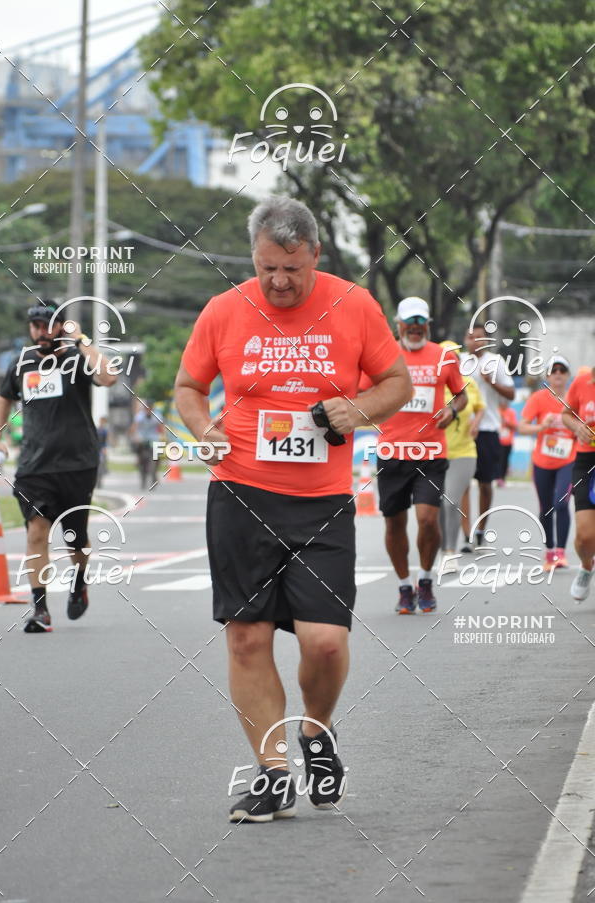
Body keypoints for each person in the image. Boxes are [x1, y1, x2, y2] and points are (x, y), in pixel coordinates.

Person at [174, 196, 412, 822]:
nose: (278, 282)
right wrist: (203, 428)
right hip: (240, 493)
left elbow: (397, 383)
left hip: (323, 502)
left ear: (315, 257)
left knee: (327, 642)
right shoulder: (223, 311)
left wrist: (357, 410)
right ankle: (274, 772)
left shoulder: (353, 305)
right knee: (247, 637)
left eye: (292, 270)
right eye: (266, 268)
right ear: (253, 257)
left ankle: (316, 733)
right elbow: (188, 388)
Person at [0, 300, 118, 632]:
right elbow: (4, 396)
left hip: (78, 463)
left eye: (48, 324)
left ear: (61, 326)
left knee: (75, 538)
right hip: (34, 466)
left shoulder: (78, 359)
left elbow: (108, 377)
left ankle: (79, 582)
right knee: (36, 531)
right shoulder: (22, 363)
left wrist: (81, 341)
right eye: (34, 326)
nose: (40, 332)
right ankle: (40, 610)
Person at [373, 298, 467, 613]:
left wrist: (452, 410)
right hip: (392, 452)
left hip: (431, 452)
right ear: (398, 325)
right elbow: (361, 392)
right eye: (409, 323)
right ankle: (403, 586)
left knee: (427, 519)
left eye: (421, 323)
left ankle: (425, 579)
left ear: (427, 325)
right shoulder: (381, 355)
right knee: (394, 523)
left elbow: (461, 394)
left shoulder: (444, 357)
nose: (415, 328)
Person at [518, 356, 575, 571]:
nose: (558, 373)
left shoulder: (573, 398)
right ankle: (550, 551)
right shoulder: (538, 398)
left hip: (568, 460)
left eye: (562, 369)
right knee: (546, 508)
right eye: (554, 370)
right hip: (542, 461)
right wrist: (541, 426)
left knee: (561, 503)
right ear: (548, 375)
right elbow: (522, 427)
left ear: (568, 375)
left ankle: (561, 552)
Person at [463, 324, 515, 547]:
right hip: (462, 432)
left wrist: (490, 381)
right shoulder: (458, 362)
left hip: (487, 430)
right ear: (465, 340)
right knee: (462, 484)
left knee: (485, 484)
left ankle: (481, 529)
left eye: (479, 337)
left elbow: (511, 394)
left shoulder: (495, 362)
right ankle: (466, 535)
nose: (475, 341)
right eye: (471, 337)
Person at [437, 340, 485, 575]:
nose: (451, 360)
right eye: (447, 356)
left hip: (463, 452)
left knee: (450, 501)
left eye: (455, 357)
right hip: (434, 452)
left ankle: (449, 552)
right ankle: (442, 548)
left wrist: (475, 424)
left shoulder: (468, 383)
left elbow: (479, 407)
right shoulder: (432, 384)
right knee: (435, 505)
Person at [561, 365, 595, 601]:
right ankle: (586, 566)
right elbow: (566, 414)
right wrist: (577, 426)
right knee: (585, 536)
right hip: (586, 461)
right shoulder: (581, 383)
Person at [130, 401, 163, 489]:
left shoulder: (157, 416)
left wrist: (162, 436)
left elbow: (161, 428)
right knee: (138, 449)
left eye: (150, 409)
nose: (148, 411)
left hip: (153, 438)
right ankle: (137, 460)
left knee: (157, 453)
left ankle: (155, 469)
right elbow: (135, 427)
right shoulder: (140, 416)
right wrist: (134, 436)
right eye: (146, 409)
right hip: (142, 438)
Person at [497, 400, 518, 487]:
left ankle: (502, 478)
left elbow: (515, 426)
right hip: (497, 440)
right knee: (497, 460)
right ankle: (496, 477)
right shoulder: (496, 411)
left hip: (507, 441)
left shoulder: (511, 412)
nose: (503, 403)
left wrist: (506, 422)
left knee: (504, 460)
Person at [96, 416, 109, 488]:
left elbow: (106, 440)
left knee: (102, 463)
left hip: (102, 449)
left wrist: (105, 448)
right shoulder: (97, 429)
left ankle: (100, 480)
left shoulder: (105, 431)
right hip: (96, 449)